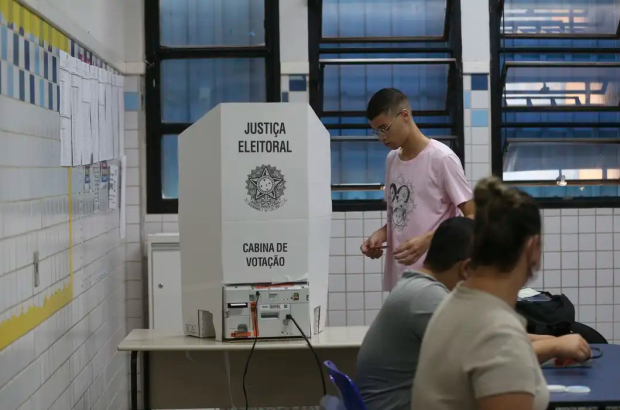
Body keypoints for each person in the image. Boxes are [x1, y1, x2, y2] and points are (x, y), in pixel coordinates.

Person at [356, 217, 591, 410]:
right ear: (466, 269)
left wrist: (556, 340)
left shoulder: (419, 287)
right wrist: (556, 347)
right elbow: (497, 353)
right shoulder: (426, 299)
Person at [410, 177, 592, 410]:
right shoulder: (499, 333)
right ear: (532, 248)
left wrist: (554, 344)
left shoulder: (454, 305)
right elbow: (498, 346)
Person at [360, 88, 475, 291]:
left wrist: (429, 239)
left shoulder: (441, 159)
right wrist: (380, 235)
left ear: (404, 115)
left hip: (436, 280)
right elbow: (401, 217)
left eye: (385, 128)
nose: (381, 137)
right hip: (400, 280)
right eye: (377, 131)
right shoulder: (392, 160)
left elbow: (474, 217)